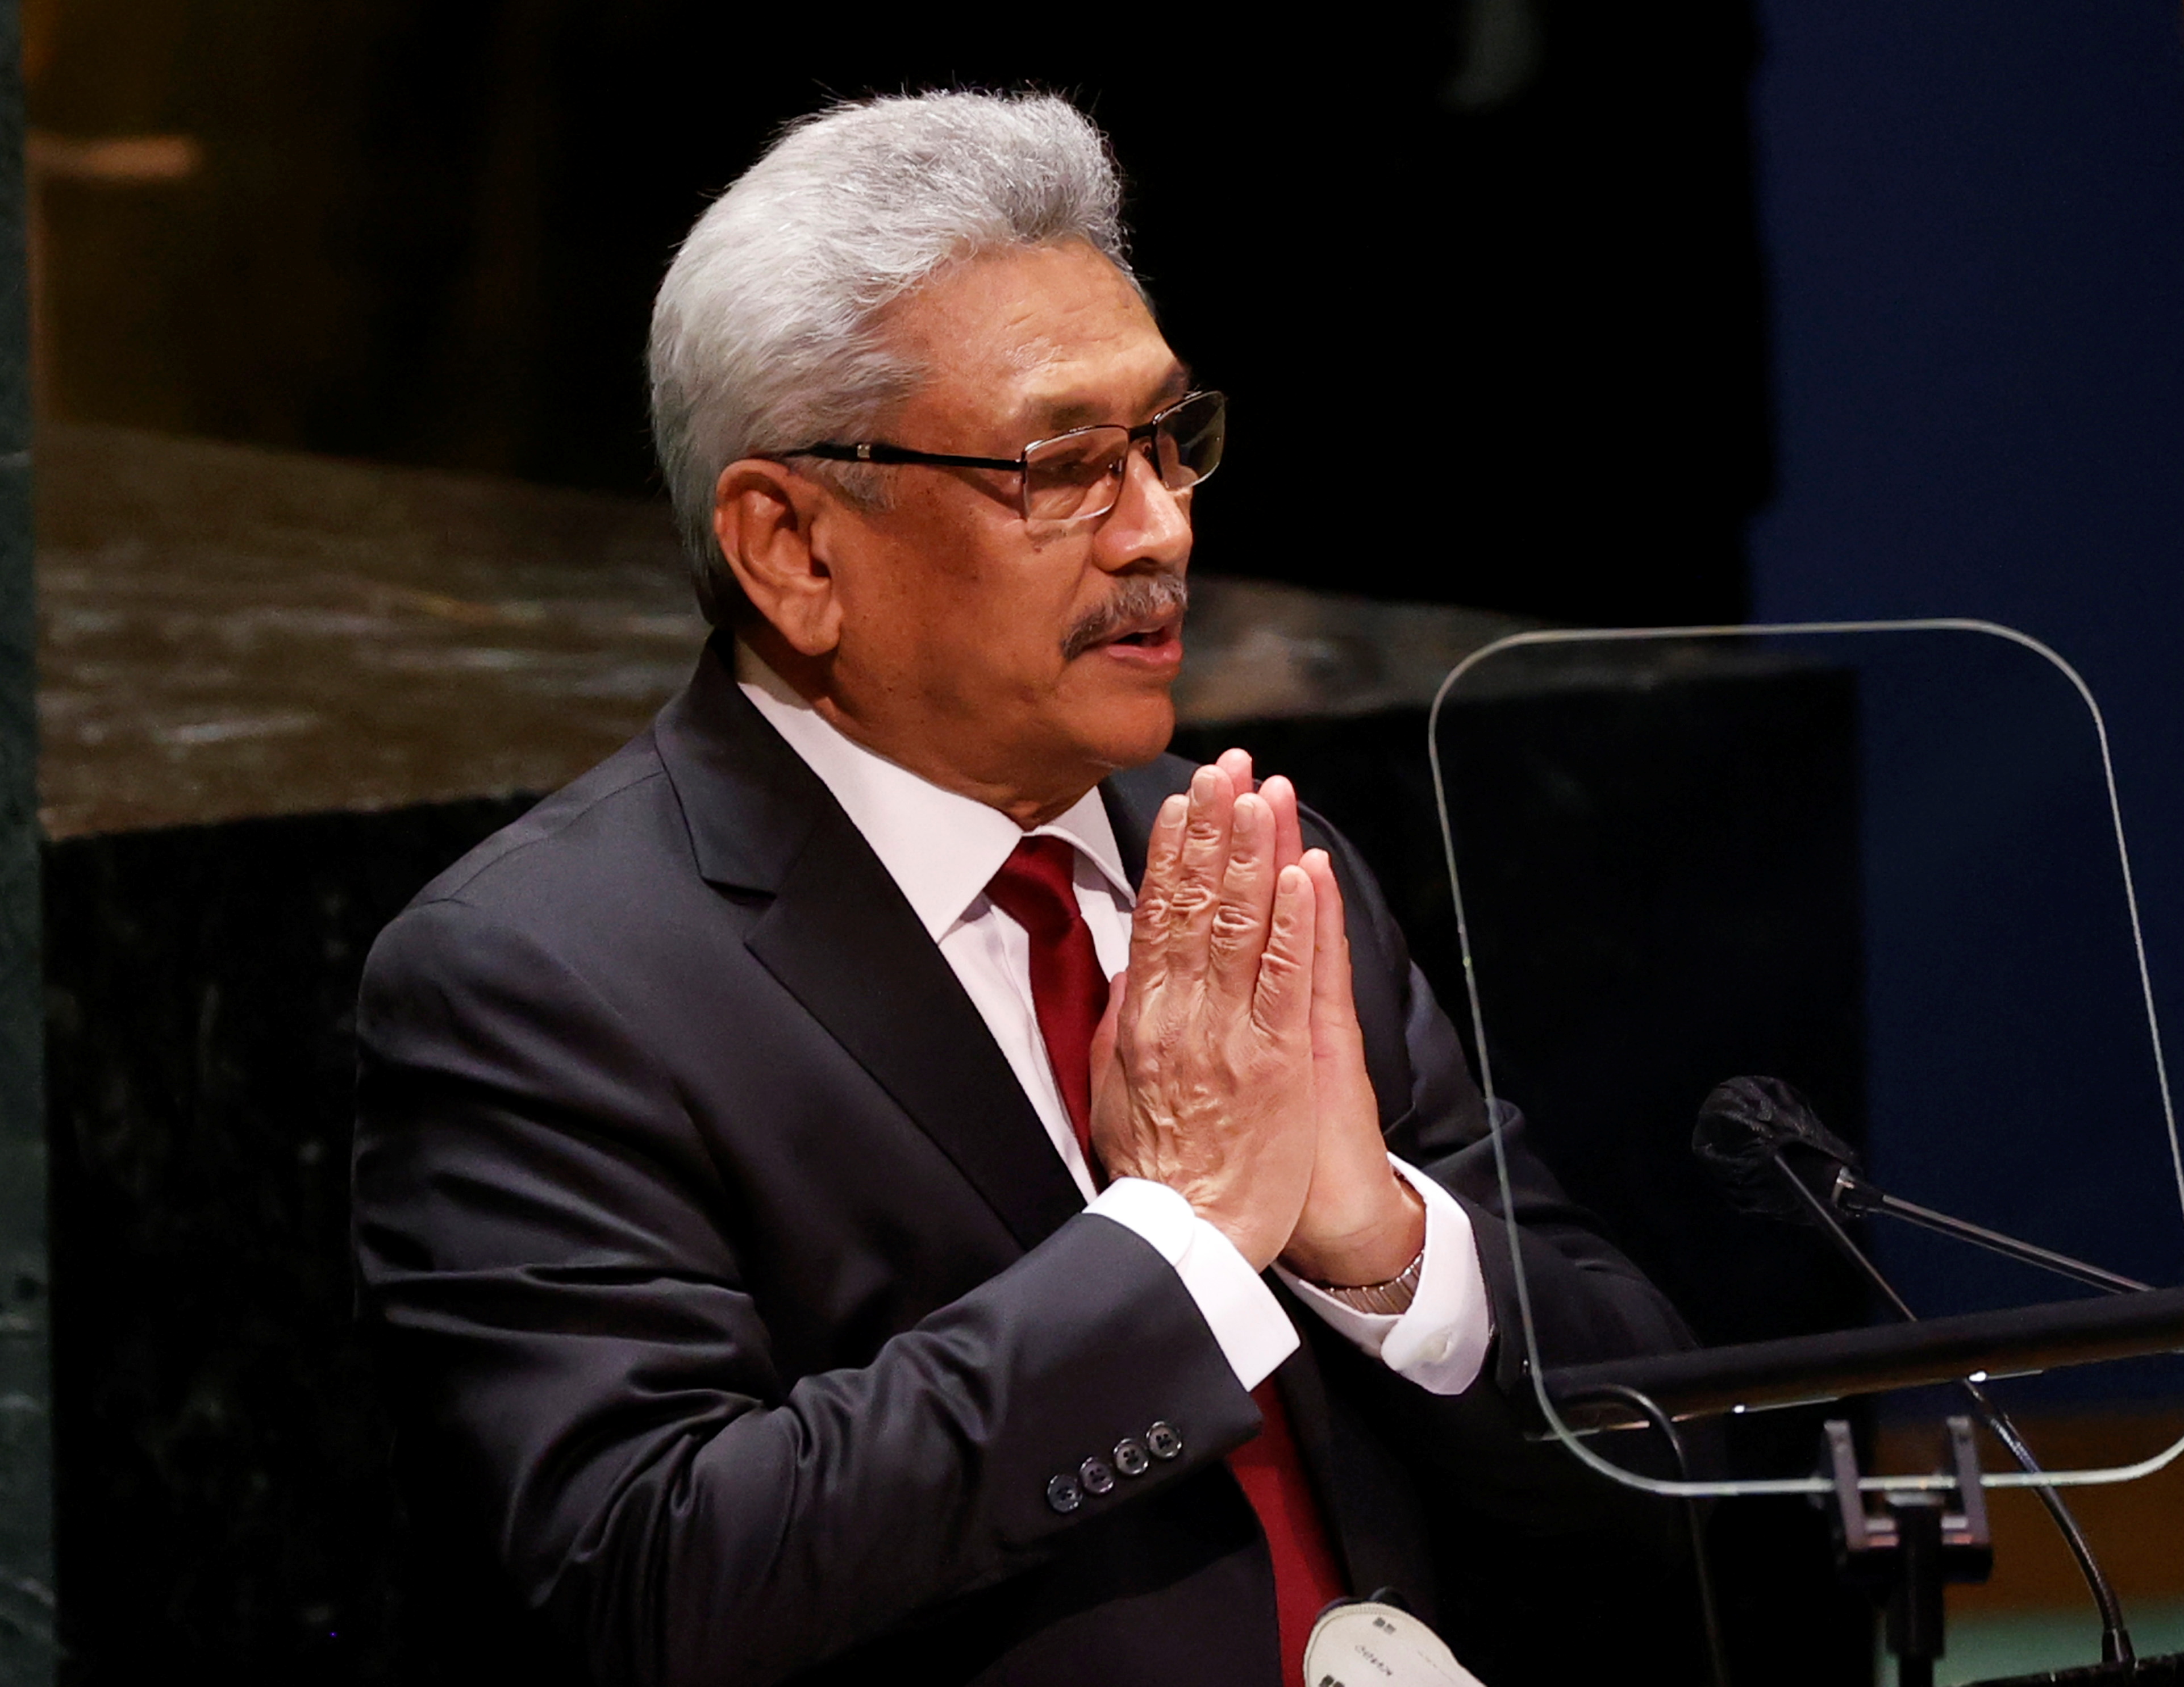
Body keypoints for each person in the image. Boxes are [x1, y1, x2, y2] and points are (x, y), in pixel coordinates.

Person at [351, 90, 1689, 1687]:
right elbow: (662, 1568)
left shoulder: (1258, 865)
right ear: (794, 548)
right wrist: (1180, 1243)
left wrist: (1382, 1242)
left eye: (1168, 439)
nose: (1162, 526)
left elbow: (1667, 1443)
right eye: (1064, 466)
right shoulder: (544, 977)